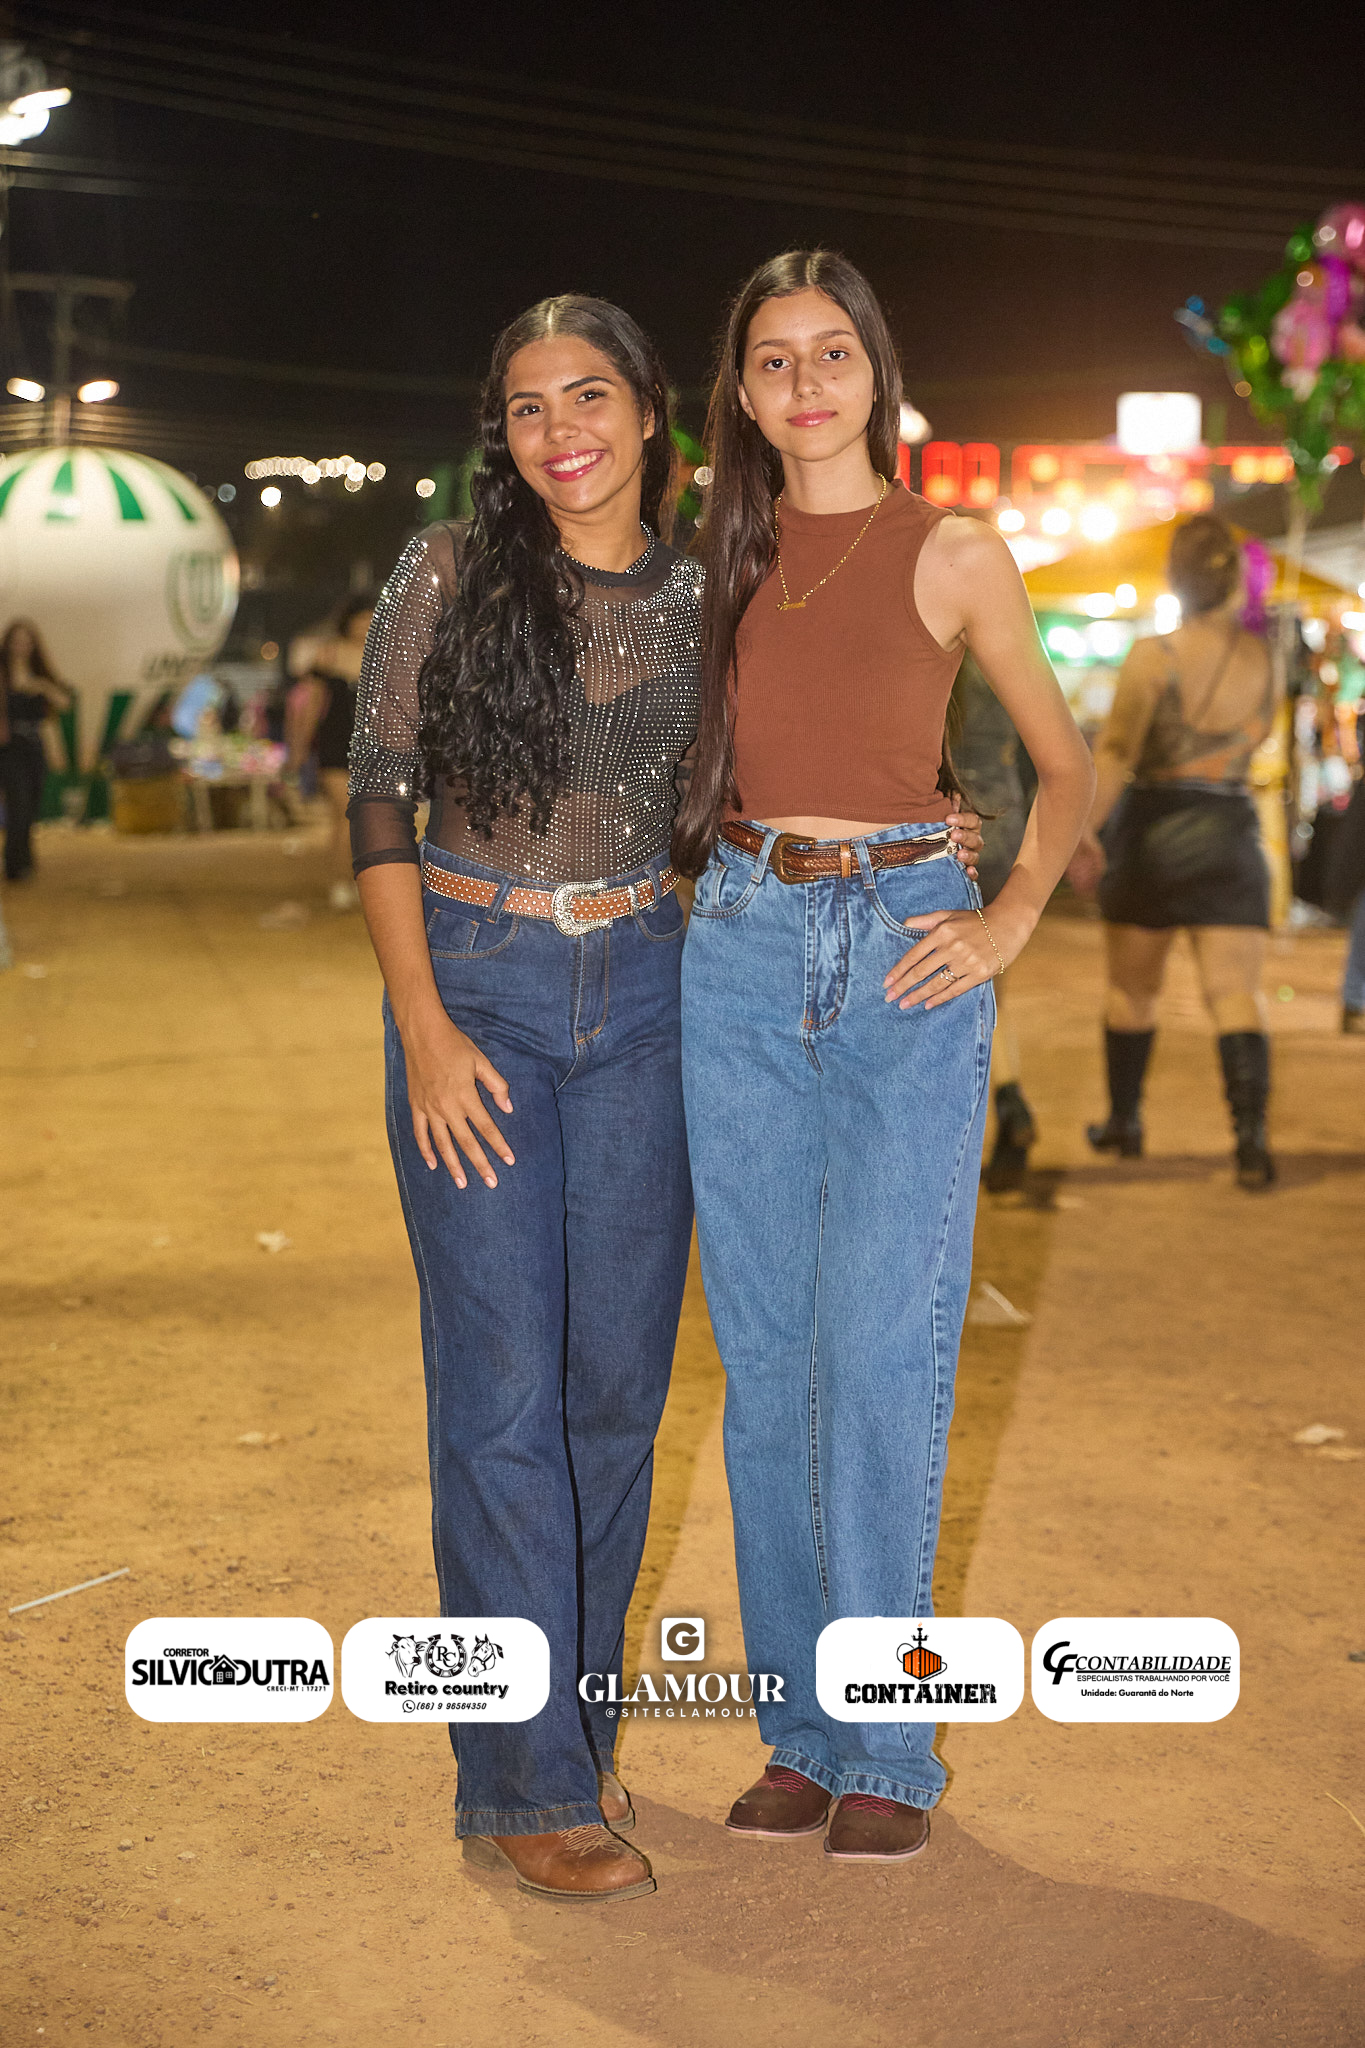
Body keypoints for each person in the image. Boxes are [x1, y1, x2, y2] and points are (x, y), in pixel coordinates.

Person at [673, 249, 1094, 1863]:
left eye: (831, 352)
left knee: (879, 1351)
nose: (805, 382)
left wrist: (1008, 915)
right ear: (742, 390)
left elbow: (1063, 767)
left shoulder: (955, 549)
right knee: (767, 1363)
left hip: (907, 949)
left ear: (877, 370)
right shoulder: (712, 553)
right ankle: (800, 1735)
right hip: (739, 947)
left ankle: (889, 1749)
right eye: (774, 359)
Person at [1068, 516, 1281, 1189]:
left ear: (1176, 577)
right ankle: (1250, 1140)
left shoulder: (1152, 657)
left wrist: (1083, 829)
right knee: (1236, 993)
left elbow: (1117, 752)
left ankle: (1124, 1122)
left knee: (1132, 991)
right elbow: (1259, 738)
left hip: (1153, 831)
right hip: (1229, 828)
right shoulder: (1264, 659)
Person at [951, 655, 1038, 1191]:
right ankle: (1010, 1098)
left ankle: (1002, 1105)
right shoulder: (1003, 649)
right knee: (989, 980)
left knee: (958, 983)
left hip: (954, 817)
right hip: (1006, 813)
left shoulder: (937, 642)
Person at [288, 600, 375, 908]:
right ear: (347, 622)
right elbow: (310, 705)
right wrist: (299, 748)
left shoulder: (386, 655)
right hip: (335, 745)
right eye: (360, 619)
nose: (365, 625)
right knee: (347, 814)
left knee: (367, 820)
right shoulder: (328, 655)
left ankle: (358, 882)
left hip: (374, 749)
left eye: (370, 618)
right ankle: (340, 882)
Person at [0, 620, 73, 882]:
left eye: (27, 641)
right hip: (9, 747)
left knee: (31, 804)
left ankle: (25, 858)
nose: (21, 646)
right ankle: (14, 864)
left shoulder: (39, 673)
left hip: (34, 745)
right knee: (18, 804)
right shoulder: (3, 675)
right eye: (17, 641)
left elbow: (64, 703)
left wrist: (42, 687)